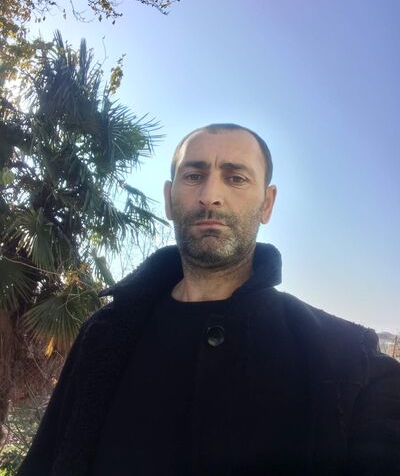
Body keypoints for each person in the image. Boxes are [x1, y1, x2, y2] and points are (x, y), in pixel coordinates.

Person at [18, 124, 400, 475]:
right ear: (169, 199)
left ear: (267, 204)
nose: (210, 196)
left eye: (235, 178)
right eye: (193, 176)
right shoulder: (103, 337)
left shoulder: (351, 362)